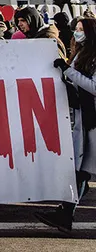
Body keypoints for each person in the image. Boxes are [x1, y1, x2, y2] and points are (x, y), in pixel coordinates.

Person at [38, 18, 96, 233]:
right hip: (85, 118)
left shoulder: (93, 56)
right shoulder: (81, 53)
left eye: (82, 30)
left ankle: (65, 213)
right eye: (76, 29)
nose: (77, 33)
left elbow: (93, 86)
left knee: (81, 170)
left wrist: (68, 71)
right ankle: (65, 213)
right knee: (79, 170)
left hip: (92, 119)